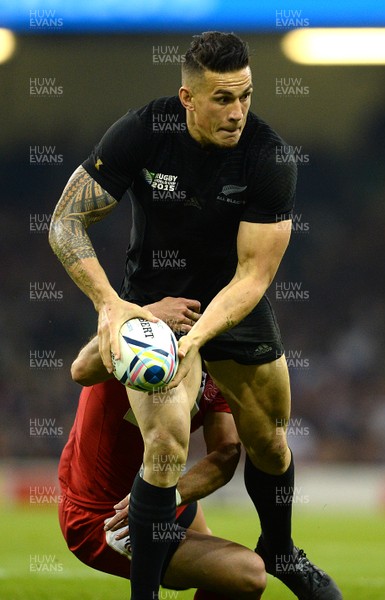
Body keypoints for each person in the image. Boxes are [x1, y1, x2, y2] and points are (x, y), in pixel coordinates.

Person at [49, 31, 342, 599]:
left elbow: (253, 277)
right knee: (164, 445)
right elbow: (65, 222)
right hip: (154, 302)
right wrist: (112, 306)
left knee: (271, 443)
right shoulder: (142, 132)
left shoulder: (269, 156)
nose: (238, 113)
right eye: (223, 99)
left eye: (246, 96)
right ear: (187, 97)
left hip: (233, 303)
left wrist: (197, 340)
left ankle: (279, 549)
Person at [60, 325, 266, 600]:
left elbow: (226, 452)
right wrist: (146, 313)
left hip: (162, 492)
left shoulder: (218, 362)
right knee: (248, 574)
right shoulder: (141, 331)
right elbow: (81, 369)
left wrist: (169, 497)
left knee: (224, 579)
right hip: (102, 515)